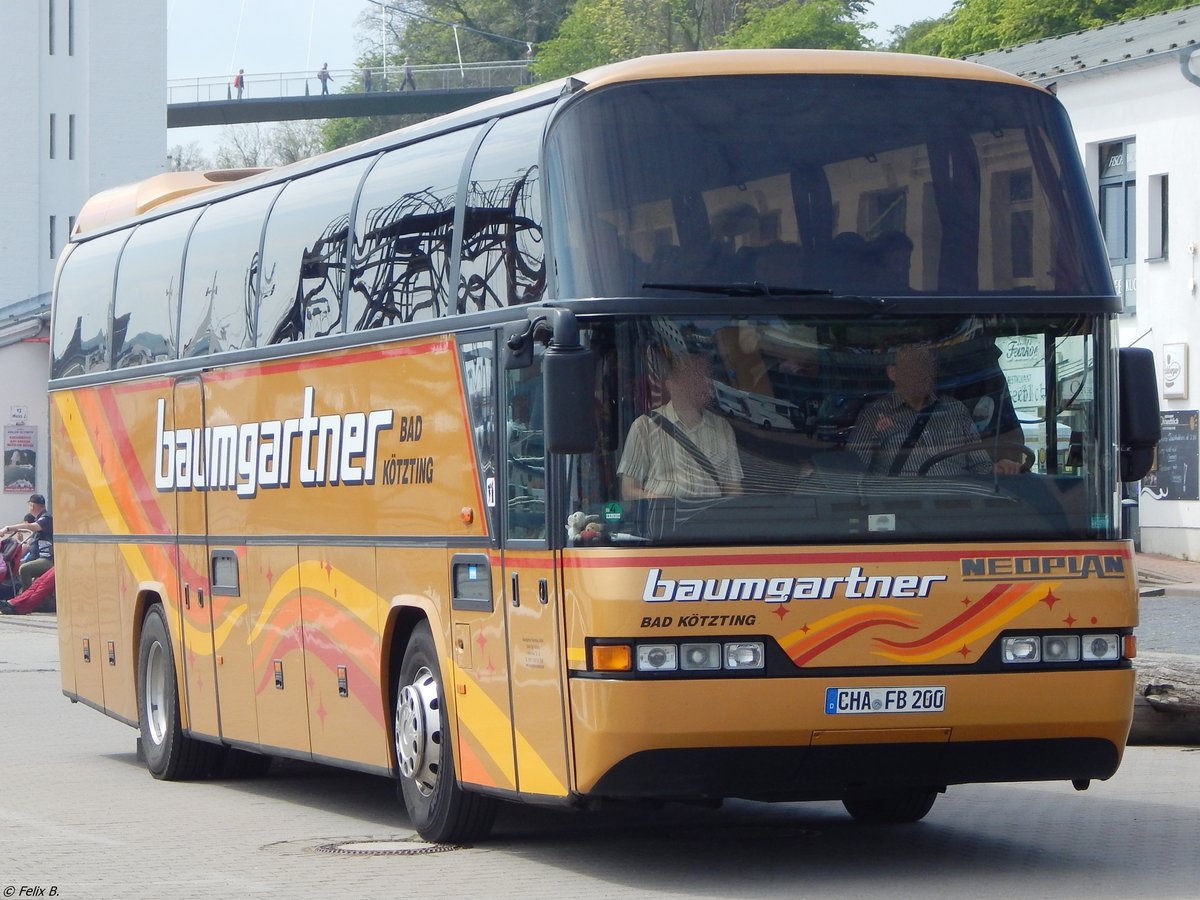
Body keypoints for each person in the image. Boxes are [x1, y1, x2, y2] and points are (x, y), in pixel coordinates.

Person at [847, 345, 1022, 477]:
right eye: (914, 368)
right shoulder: (873, 415)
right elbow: (853, 473)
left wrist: (998, 468)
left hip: (959, 509)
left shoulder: (955, 410)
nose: (923, 374)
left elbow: (980, 466)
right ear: (893, 373)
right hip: (901, 511)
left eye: (927, 367)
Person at [618, 352, 743, 500]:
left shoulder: (722, 427)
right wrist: (667, 503)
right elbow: (629, 492)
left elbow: (734, 491)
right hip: (664, 518)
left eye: (705, 376)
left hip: (712, 519)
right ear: (672, 386)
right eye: (693, 377)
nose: (705, 383)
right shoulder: (643, 427)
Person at [0, 494, 53, 589]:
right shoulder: (40, 519)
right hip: (36, 557)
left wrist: (7, 528)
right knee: (13, 567)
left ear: (32, 506)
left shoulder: (46, 519)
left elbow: (30, 527)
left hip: (47, 559)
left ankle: (27, 596)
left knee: (24, 569)